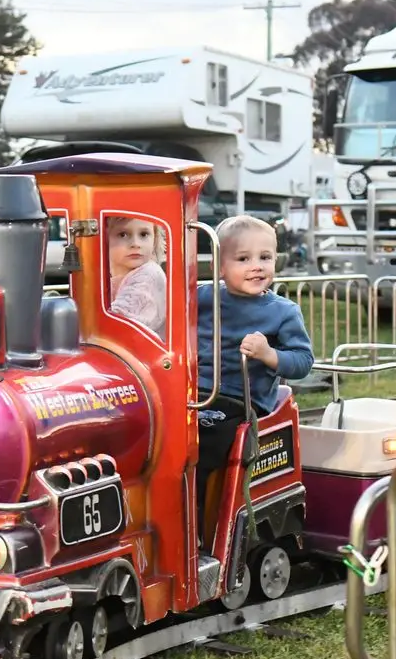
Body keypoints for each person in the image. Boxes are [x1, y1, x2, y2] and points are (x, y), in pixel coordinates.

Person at [194, 214, 314, 544]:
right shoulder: (203, 298)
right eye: (243, 258)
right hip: (193, 394)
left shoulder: (282, 312)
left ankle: (197, 531)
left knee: (201, 443)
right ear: (220, 265)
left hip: (240, 400)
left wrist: (268, 354)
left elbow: (303, 362)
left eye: (265, 257)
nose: (256, 266)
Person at [106, 215, 167, 336]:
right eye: (123, 234)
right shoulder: (112, 275)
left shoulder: (148, 274)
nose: (135, 243)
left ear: (155, 239)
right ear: (104, 238)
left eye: (144, 234)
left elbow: (115, 322)